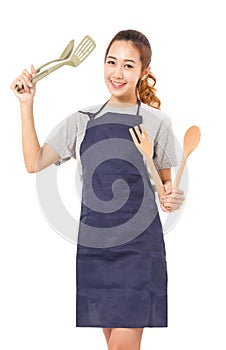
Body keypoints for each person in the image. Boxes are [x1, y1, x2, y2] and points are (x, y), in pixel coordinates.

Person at [11, 29, 185, 350]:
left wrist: (170, 197)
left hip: (139, 251)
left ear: (144, 72)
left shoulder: (157, 122)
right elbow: (34, 162)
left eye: (129, 66)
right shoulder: (82, 120)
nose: (117, 73)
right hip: (96, 248)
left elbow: (166, 189)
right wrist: (26, 103)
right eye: (111, 62)